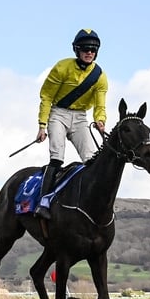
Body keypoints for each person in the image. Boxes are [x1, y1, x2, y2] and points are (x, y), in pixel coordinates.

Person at [34, 28, 109, 219]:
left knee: (92, 160)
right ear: (77, 50)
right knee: (57, 156)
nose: (89, 52)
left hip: (81, 118)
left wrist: (100, 120)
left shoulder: (100, 76)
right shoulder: (62, 67)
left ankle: (91, 204)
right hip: (58, 114)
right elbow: (47, 95)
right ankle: (43, 202)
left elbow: (100, 104)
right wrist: (42, 125)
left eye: (93, 49)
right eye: (85, 48)